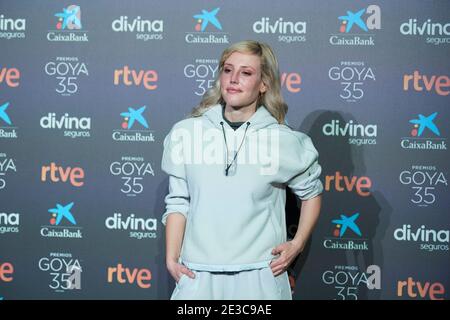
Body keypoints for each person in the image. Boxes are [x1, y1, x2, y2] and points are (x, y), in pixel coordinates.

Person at [161, 40, 323, 300]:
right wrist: (171, 258)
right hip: (197, 275)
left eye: (246, 73)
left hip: (260, 276)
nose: (233, 79)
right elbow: (178, 201)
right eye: (228, 70)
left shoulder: (283, 140)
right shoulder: (186, 133)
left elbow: (311, 194)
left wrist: (297, 243)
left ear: (264, 83)